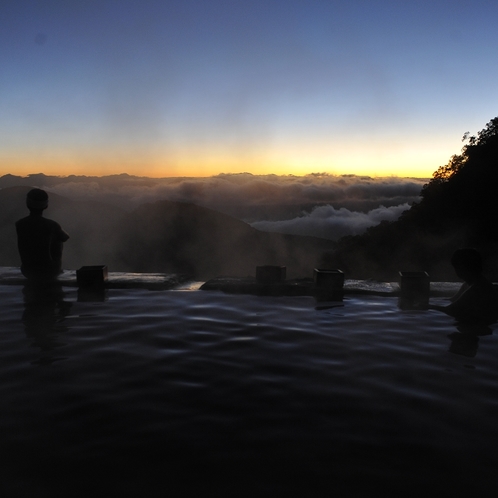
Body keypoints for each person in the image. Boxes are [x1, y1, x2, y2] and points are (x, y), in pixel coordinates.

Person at [429, 248, 498, 324]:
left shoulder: (479, 288)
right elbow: (451, 300)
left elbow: (450, 310)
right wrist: (431, 300)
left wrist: (427, 306)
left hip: (478, 326)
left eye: (456, 267)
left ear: (463, 267)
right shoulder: (468, 284)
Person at [15, 188, 69, 281]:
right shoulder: (52, 225)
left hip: (27, 271)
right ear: (46, 206)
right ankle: (55, 266)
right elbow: (65, 237)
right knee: (58, 239)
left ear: (27, 204)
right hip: (49, 272)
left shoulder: (20, 224)